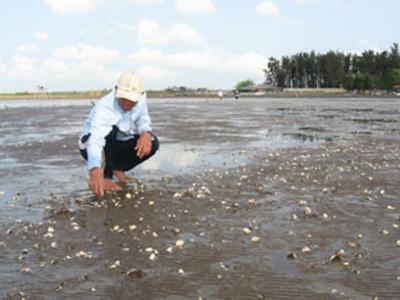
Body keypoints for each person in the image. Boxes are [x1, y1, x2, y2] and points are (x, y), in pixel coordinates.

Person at [79, 71, 159, 197]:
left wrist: (145, 133)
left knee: (152, 141)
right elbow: (95, 140)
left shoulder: (141, 98)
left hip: (119, 142)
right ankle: (107, 176)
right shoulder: (104, 108)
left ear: (141, 94)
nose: (127, 104)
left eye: (132, 101)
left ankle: (118, 168)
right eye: (123, 99)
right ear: (116, 89)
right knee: (111, 131)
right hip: (93, 145)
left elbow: (143, 119)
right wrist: (95, 169)